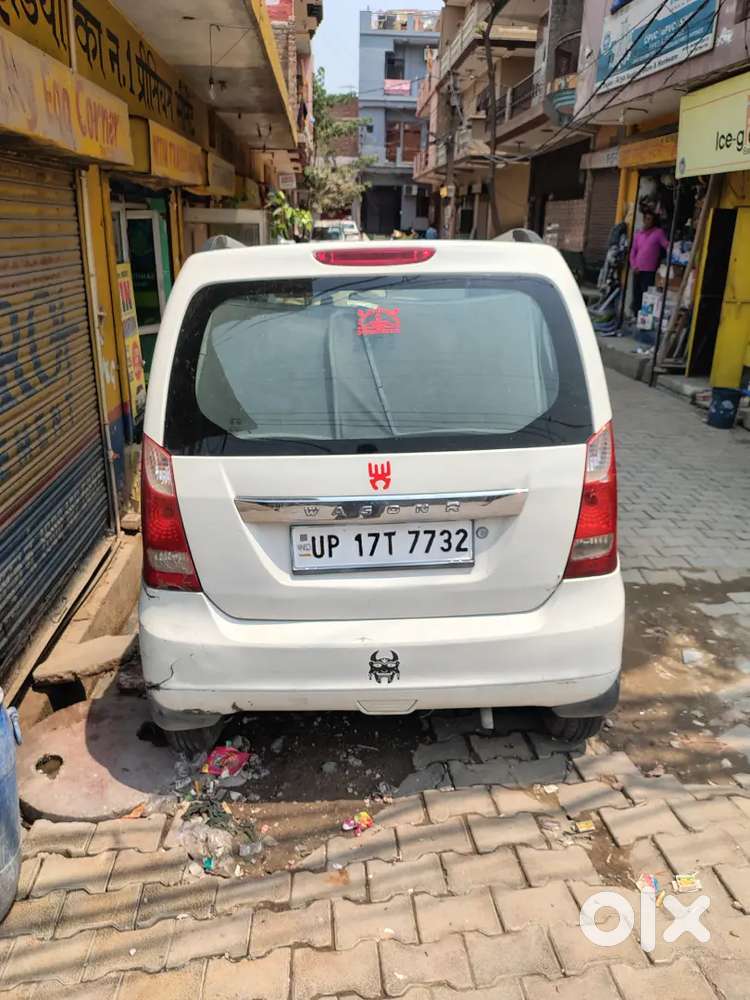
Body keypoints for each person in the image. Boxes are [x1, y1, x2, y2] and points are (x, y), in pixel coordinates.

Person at [629, 209, 669, 321]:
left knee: (645, 295)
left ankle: (644, 318)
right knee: (636, 294)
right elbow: (633, 251)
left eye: (649, 219)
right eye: (645, 218)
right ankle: (635, 316)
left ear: (653, 221)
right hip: (637, 269)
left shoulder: (658, 233)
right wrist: (633, 265)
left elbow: (666, 245)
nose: (646, 221)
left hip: (649, 270)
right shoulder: (638, 233)